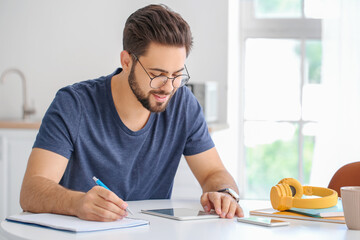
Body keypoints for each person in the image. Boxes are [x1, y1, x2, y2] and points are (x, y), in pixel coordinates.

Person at [19, 4, 243, 222]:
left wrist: (225, 194)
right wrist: (76, 203)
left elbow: (213, 172)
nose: (168, 87)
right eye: (158, 74)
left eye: (177, 75)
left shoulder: (183, 105)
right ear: (126, 61)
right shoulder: (73, 105)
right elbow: (31, 190)